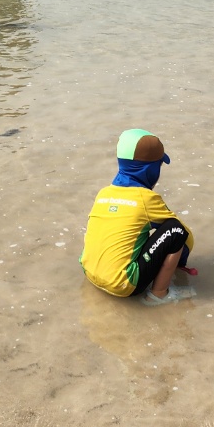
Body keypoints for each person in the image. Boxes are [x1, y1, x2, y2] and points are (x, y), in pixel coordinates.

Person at [80, 128, 197, 306]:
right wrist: (179, 262)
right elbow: (185, 237)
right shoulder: (146, 198)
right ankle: (158, 295)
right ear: (150, 170)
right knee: (175, 230)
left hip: (89, 272)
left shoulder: (103, 193)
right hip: (122, 285)